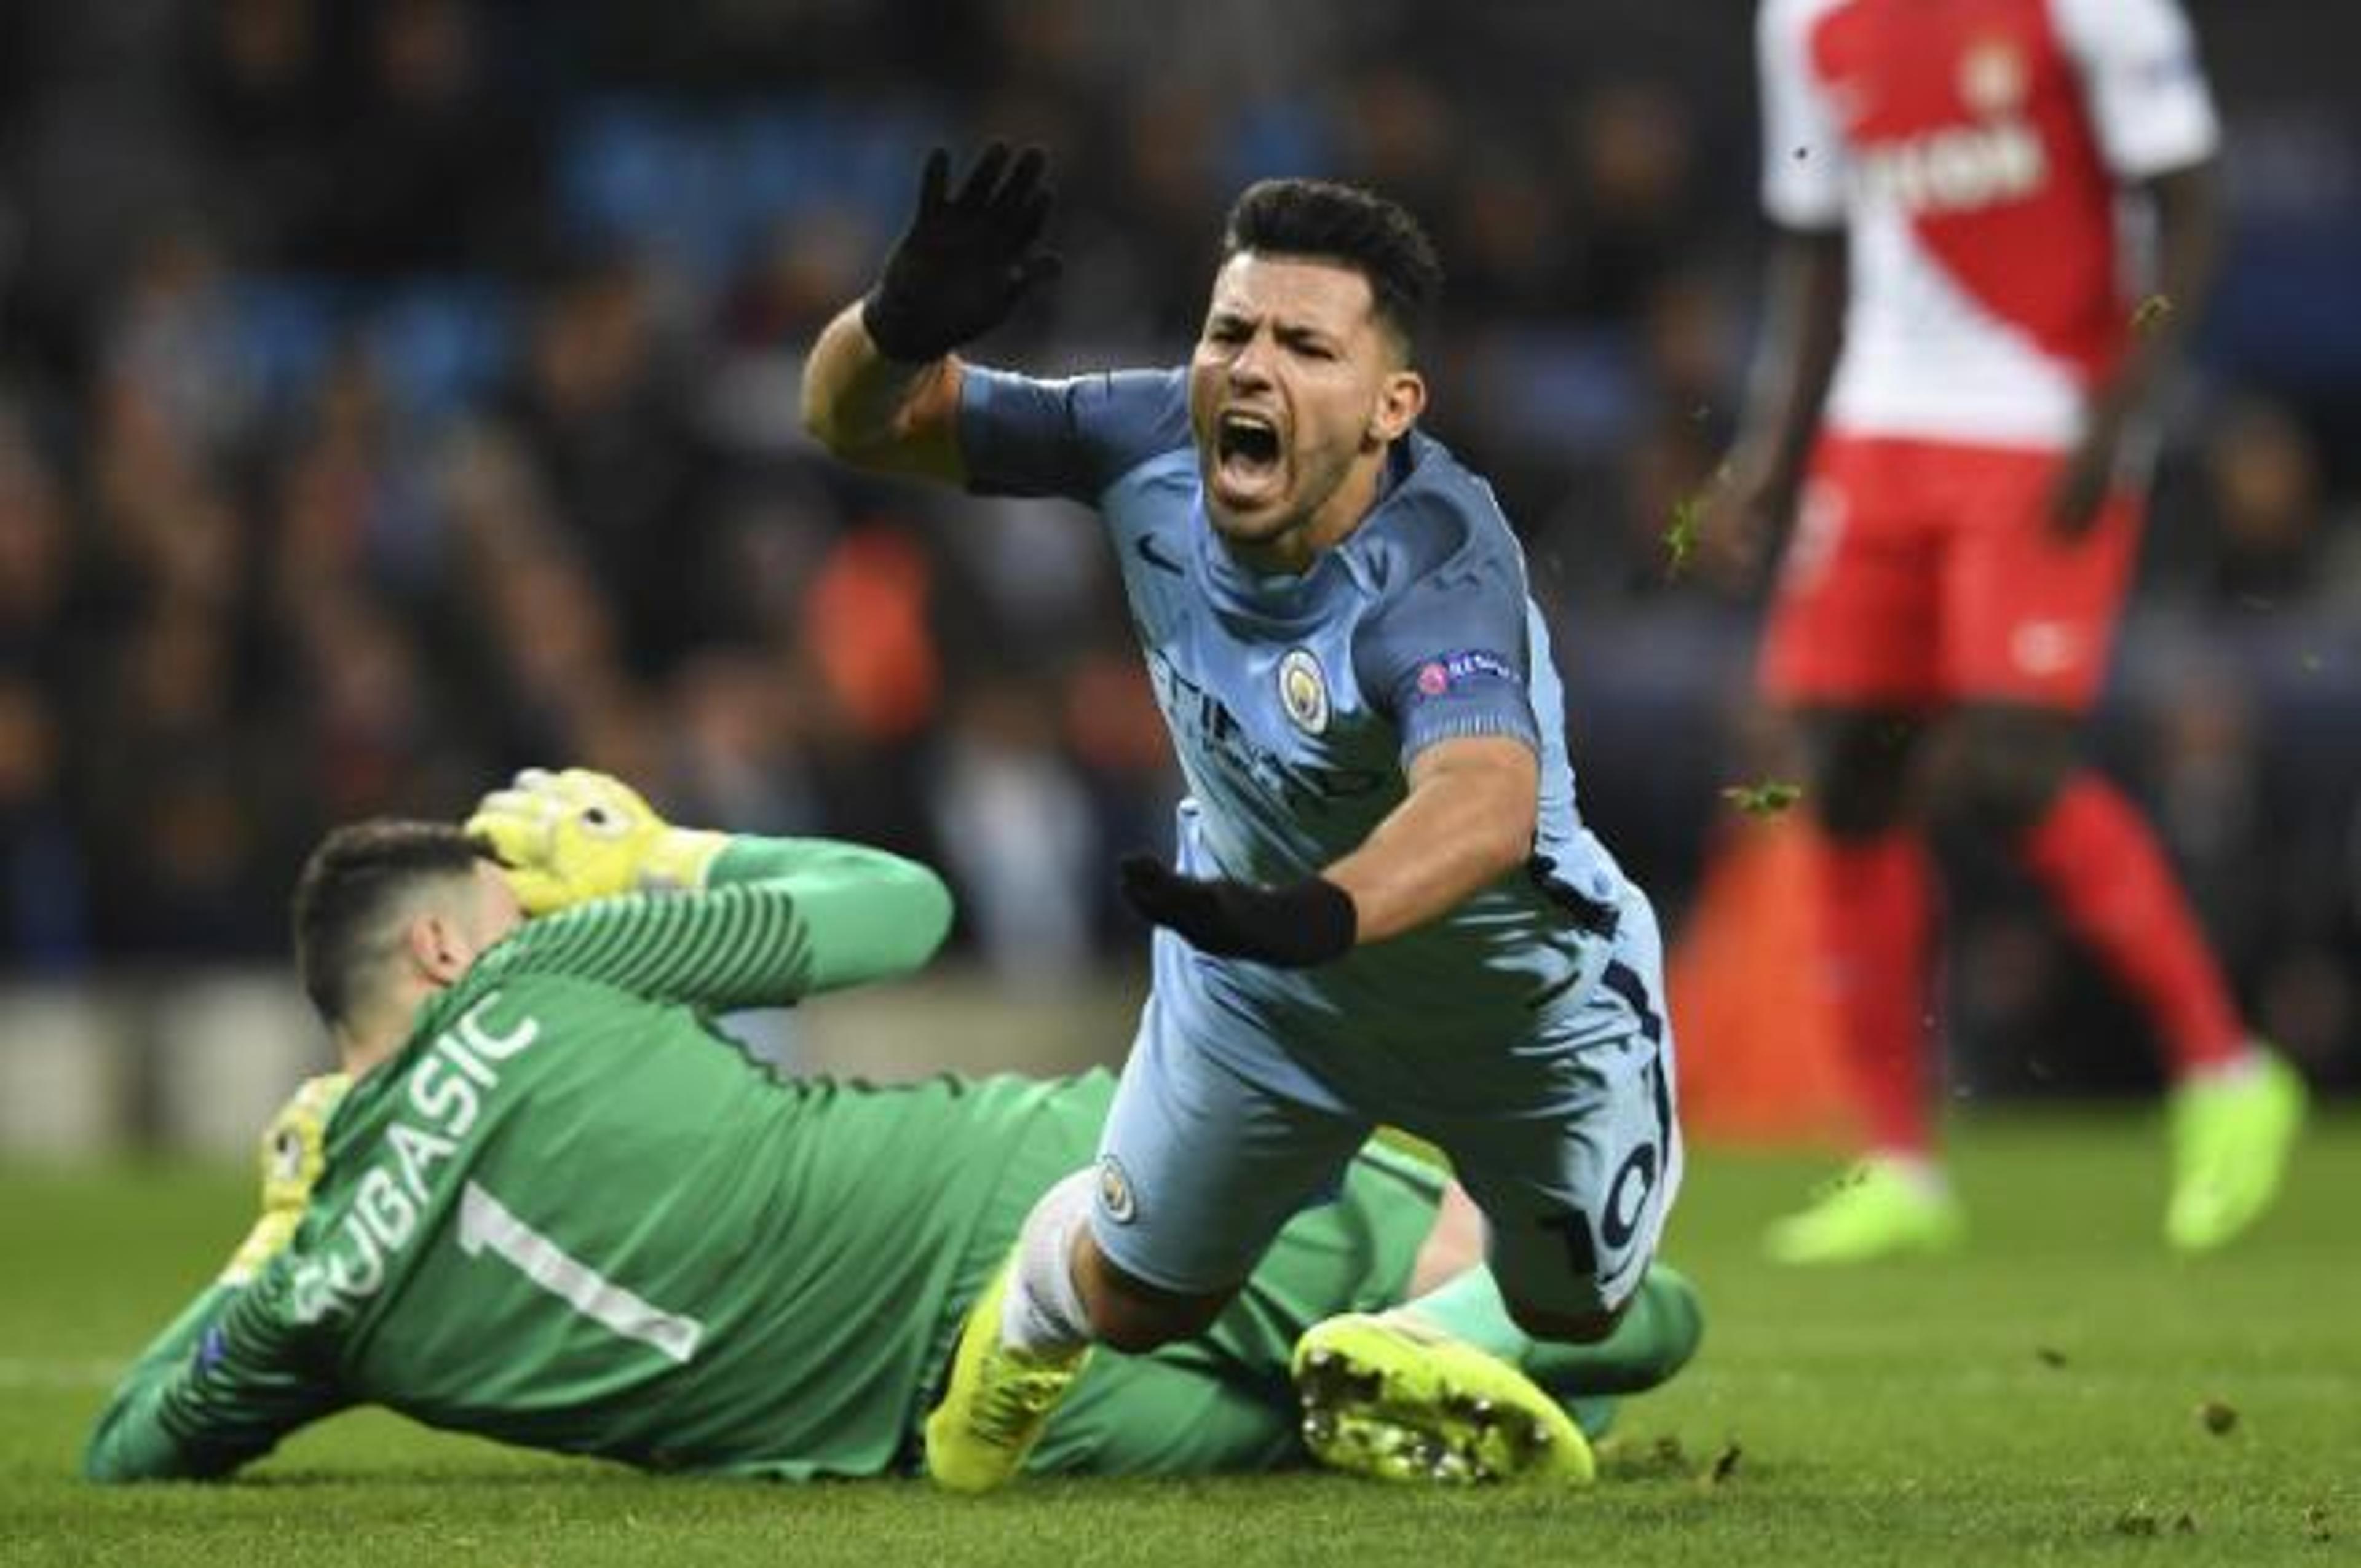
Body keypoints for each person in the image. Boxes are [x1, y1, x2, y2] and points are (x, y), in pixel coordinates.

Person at [801, 148, 1686, 1492]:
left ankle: (1409, 1332)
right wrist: (897, 325)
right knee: (1148, 1304)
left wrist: (1317, 913)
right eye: (1233, 331)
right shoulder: (1145, 435)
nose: (1253, 366)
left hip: (1515, 994)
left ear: (1393, 405)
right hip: (1264, 979)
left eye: (1306, 345)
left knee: (1576, 1310)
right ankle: (1030, 1319)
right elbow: (854, 425)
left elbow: (1485, 802)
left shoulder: (1439, 565)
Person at [84, 769, 1703, 1485]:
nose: (533, 907)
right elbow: (900, 905)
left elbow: (130, 1441)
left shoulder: (316, 1302)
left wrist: (271, 1248)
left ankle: (1412, 1348)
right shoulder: (551, 971)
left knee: (1389, 1419)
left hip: (963, 1432)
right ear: (445, 948)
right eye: (509, 898)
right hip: (1030, 1185)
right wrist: (655, 851)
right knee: (1619, 1303)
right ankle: (1441, 1322)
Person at [1712, 0, 2304, 1264]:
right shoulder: (1804, 20)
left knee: (2008, 766)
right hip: (1878, 430)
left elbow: (2193, 201)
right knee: (1846, 776)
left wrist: (2125, 407)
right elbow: (1816, 244)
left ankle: (2225, 1069)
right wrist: (1774, 453)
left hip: (2042, 420)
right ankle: (1897, 1160)